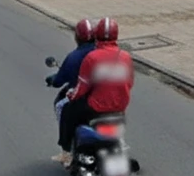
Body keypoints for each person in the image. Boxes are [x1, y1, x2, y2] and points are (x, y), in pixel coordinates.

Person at [54, 16, 132, 165]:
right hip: (120, 107)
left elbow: (82, 87)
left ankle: (66, 152)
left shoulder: (91, 57)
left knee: (67, 111)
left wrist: (72, 95)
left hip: (96, 107)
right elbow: (129, 82)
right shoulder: (125, 56)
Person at [47, 19, 97, 111]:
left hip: (83, 99)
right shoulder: (103, 52)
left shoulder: (74, 57)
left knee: (59, 106)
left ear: (77, 37)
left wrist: (53, 79)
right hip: (105, 97)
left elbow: (58, 81)